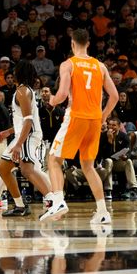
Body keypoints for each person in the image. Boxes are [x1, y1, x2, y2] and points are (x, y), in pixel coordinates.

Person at [41, 28, 119, 225]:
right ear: (88, 44)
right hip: (94, 119)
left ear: (72, 43)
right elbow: (115, 96)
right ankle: (102, 211)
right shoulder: (100, 66)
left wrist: (51, 100)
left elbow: (62, 94)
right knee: (88, 166)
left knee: (53, 159)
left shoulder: (69, 64)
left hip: (76, 116)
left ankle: (58, 199)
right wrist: (103, 117)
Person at [0, 60, 53, 217]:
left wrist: (18, 144)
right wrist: (9, 131)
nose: (12, 73)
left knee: (27, 169)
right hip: (23, 134)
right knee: (2, 168)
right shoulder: (23, 90)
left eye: (15, 71)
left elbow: (28, 121)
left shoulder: (22, 91)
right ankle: (20, 206)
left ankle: (53, 201)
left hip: (28, 135)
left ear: (19, 74)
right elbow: (24, 120)